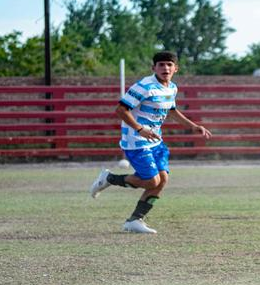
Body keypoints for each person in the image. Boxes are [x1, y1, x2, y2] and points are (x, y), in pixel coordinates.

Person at [89, 51, 212, 233]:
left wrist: (193, 126)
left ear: (176, 68)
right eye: (161, 64)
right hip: (136, 140)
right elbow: (121, 110)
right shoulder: (144, 86)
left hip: (155, 140)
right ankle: (109, 179)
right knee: (151, 181)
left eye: (169, 65)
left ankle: (135, 220)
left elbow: (171, 111)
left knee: (162, 180)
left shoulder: (172, 88)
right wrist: (140, 128)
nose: (165, 68)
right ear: (153, 68)